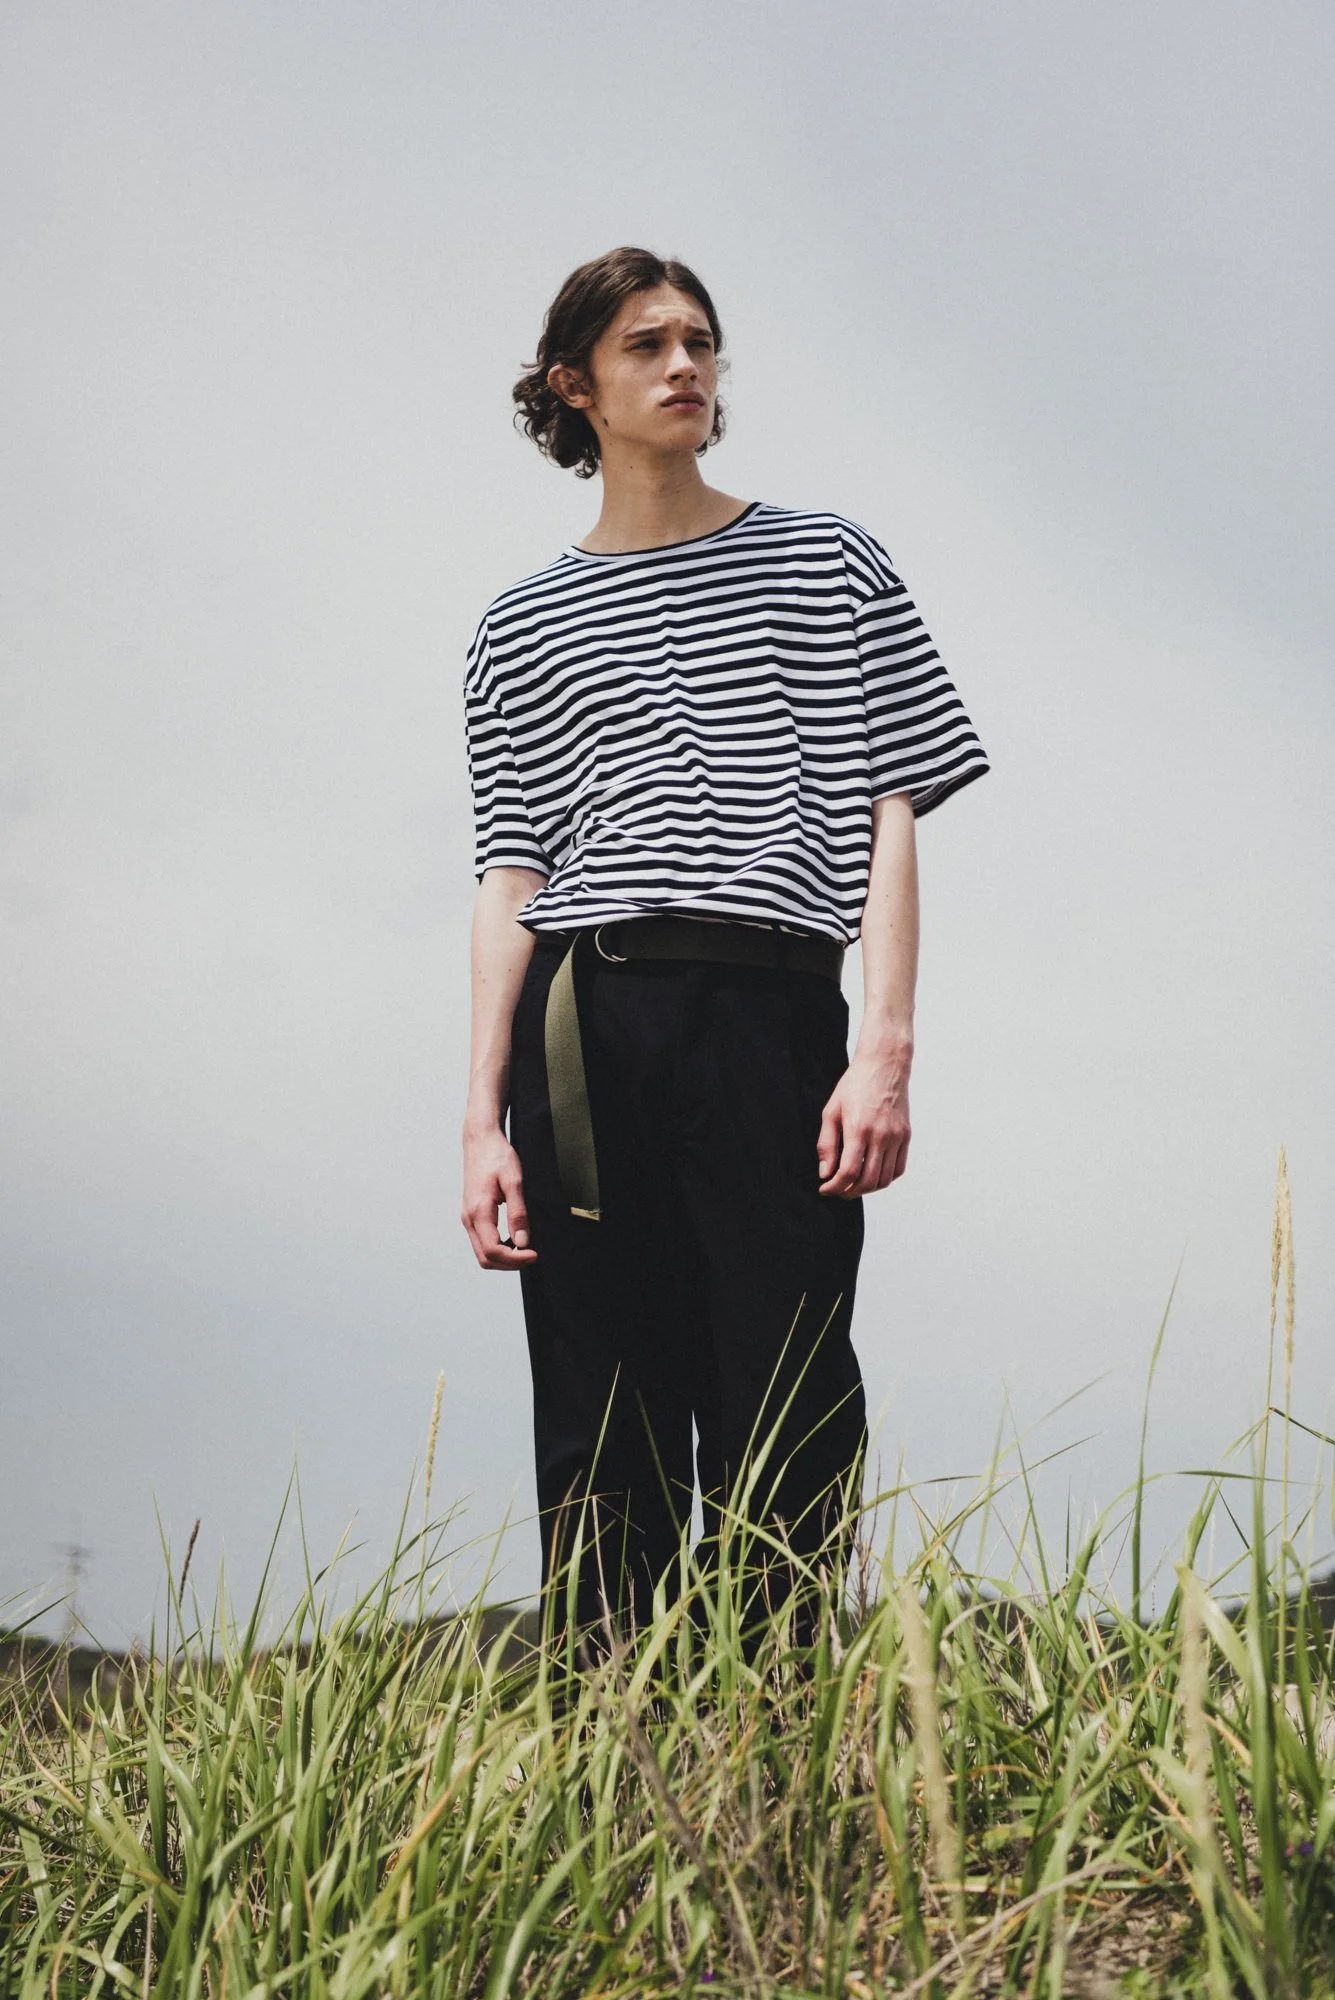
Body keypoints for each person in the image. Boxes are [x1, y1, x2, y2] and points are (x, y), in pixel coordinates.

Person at [460, 247, 989, 1651]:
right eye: (646, 345)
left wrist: (882, 1046)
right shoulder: (516, 626)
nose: (685, 365)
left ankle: (777, 1758)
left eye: (699, 340)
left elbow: (891, 809)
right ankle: (611, 1776)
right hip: (581, 1023)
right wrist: (476, 1121)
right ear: (577, 387)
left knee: (789, 1394)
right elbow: (509, 872)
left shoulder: (827, 557)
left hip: (767, 1008)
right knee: (600, 1415)